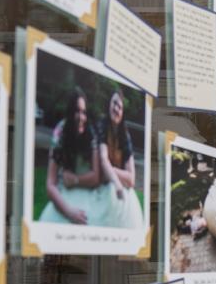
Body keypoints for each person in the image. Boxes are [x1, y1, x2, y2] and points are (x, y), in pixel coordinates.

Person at [40, 89, 100, 226]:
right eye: (77, 111)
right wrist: (69, 212)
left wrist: (75, 179)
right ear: (70, 112)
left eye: (84, 112)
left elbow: (95, 177)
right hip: (64, 195)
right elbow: (50, 184)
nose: (81, 117)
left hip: (87, 194)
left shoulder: (91, 133)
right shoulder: (60, 131)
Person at [97, 91, 144, 228]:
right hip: (103, 185)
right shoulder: (102, 126)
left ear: (122, 112)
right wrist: (117, 182)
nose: (116, 109)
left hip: (119, 185)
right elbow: (103, 159)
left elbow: (131, 179)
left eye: (120, 107)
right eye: (114, 103)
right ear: (109, 105)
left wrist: (111, 170)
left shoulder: (125, 136)